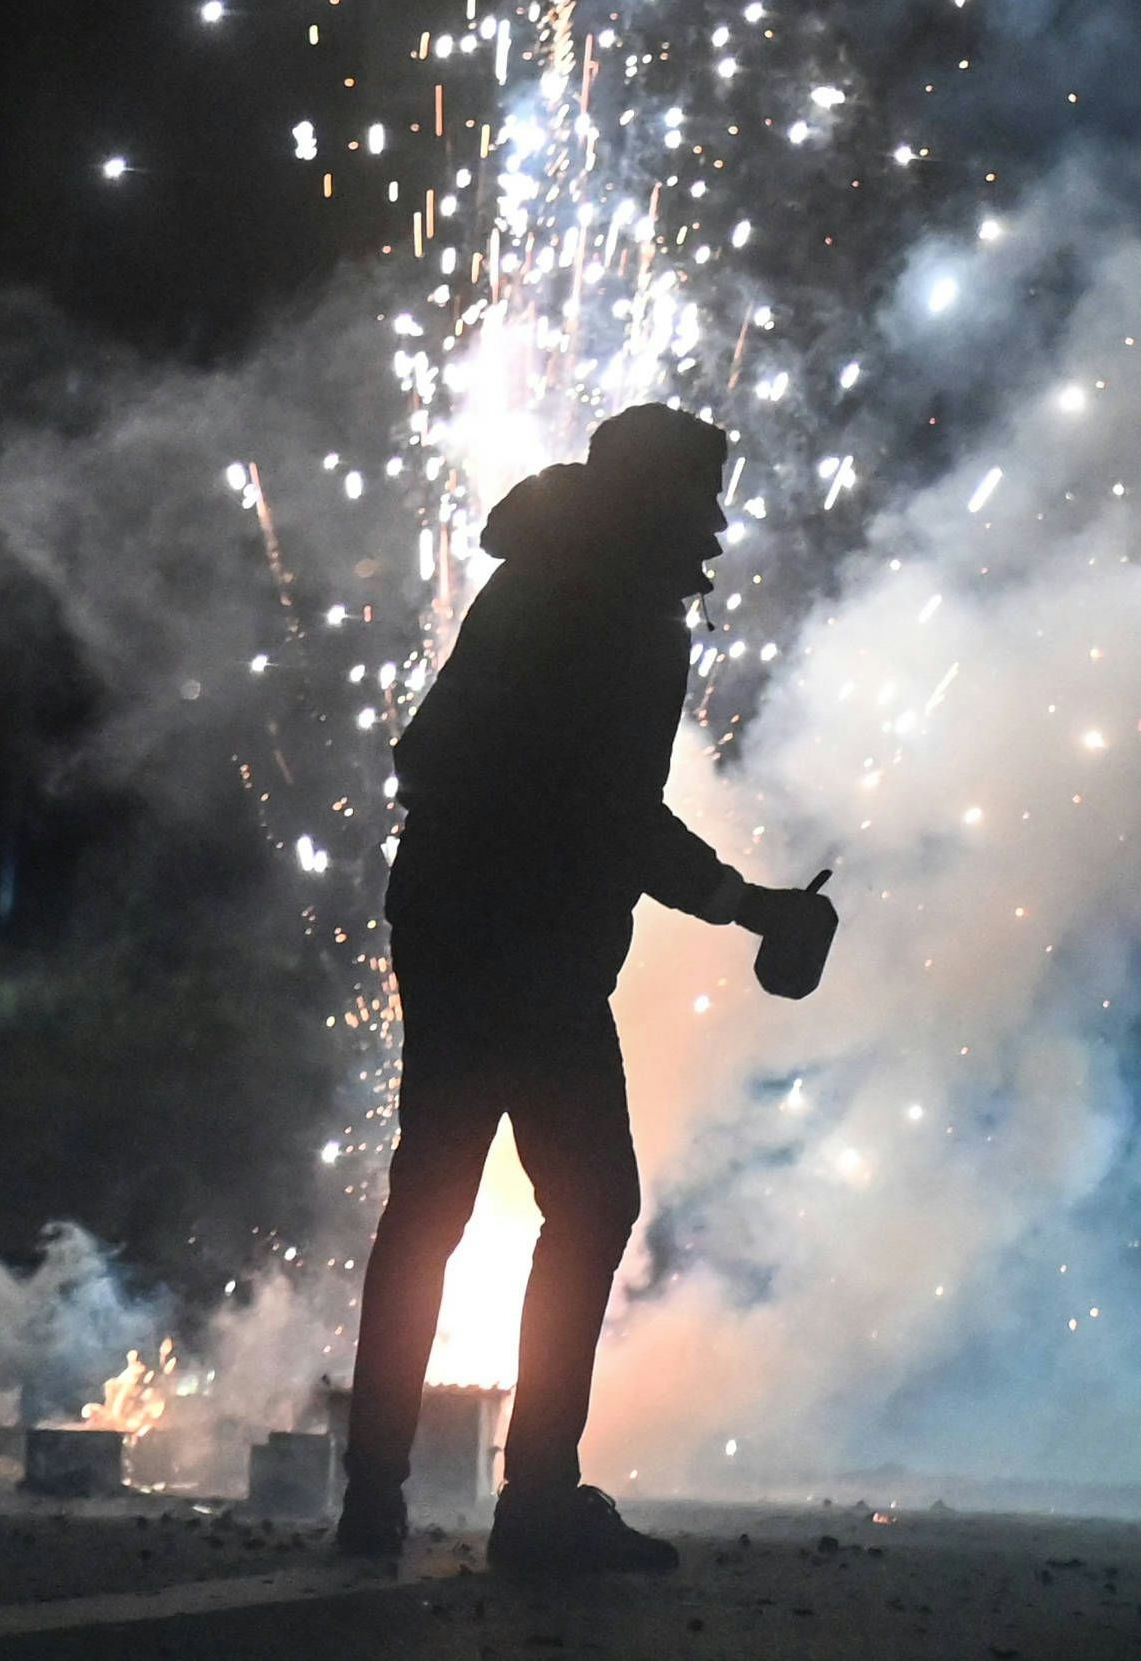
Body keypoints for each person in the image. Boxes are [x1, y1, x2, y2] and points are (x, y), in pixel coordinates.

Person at [334, 404, 838, 1573]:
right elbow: (615, 819)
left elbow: (427, 755)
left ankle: (372, 1498)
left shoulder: (529, 585)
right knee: (592, 1200)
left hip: (449, 915)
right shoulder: (628, 619)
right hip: (533, 943)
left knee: (431, 1199)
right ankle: (539, 1501)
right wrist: (749, 903)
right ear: (660, 505)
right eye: (698, 504)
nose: (709, 534)